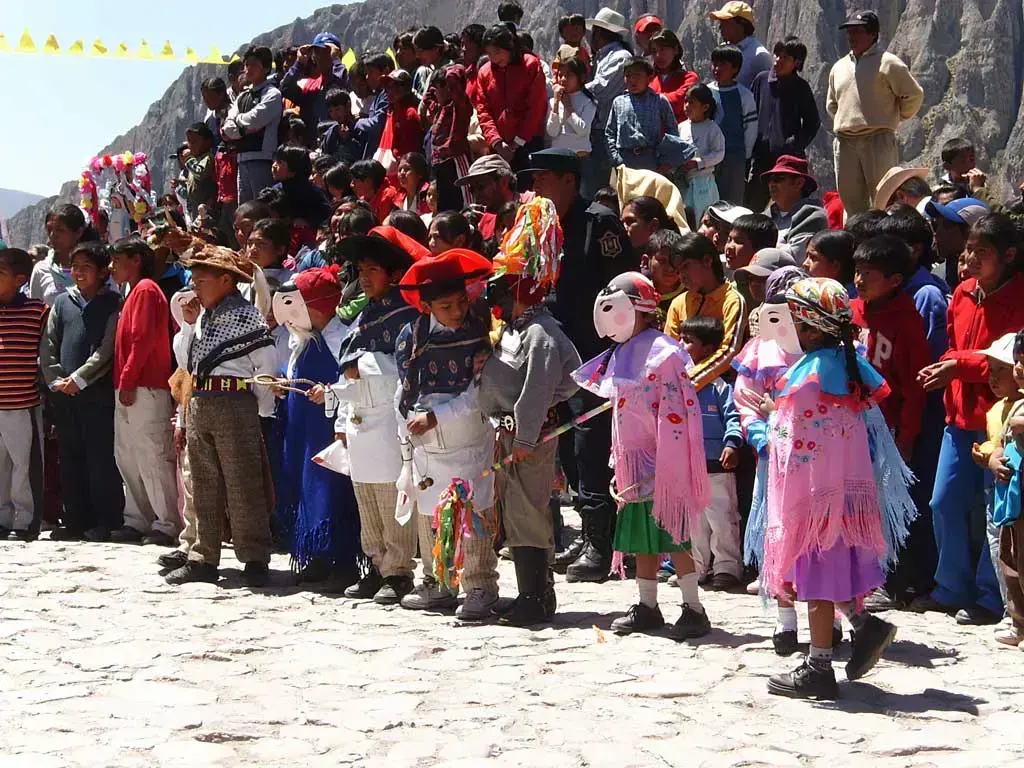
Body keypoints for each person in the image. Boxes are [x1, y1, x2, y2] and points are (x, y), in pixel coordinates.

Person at [763, 277, 899, 700]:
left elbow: (795, 442)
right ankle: (864, 625)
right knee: (833, 570)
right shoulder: (846, 366)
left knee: (817, 581)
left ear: (810, 327)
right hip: (842, 497)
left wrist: (770, 415)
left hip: (815, 502)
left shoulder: (810, 379)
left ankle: (820, 666)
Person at [575, 272, 712, 639]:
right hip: (632, 460)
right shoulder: (619, 355)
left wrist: (670, 461)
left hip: (661, 460)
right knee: (641, 538)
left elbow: (676, 411)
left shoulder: (663, 354)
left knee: (673, 535)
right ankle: (648, 605)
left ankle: (693, 608)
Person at [526, 148, 637, 581]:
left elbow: (622, 287)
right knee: (570, 448)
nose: (536, 188)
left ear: (569, 180)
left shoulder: (599, 222)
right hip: (558, 350)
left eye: (543, 179)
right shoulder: (542, 226)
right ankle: (593, 535)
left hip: (595, 352)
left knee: (592, 445)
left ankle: (603, 543)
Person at [914, 214, 1024, 624]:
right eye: (969, 250)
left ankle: (991, 596)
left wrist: (956, 367)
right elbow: (954, 347)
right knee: (943, 502)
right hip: (958, 416)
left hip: (1001, 418)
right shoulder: (961, 293)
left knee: (998, 512)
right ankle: (950, 587)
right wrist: (948, 366)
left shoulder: (1020, 296)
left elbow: (1008, 358)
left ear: (1008, 256)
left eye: (983, 252)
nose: (971, 258)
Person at [479, 199, 581, 625]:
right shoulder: (519, 330)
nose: (499, 292)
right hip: (513, 434)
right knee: (518, 512)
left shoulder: (541, 333)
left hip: (529, 439)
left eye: (506, 284)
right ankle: (534, 592)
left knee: (527, 514)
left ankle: (534, 598)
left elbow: (540, 389)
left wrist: (523, 437)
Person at [320, 228, 426, 602]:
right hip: (360, 419)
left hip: (387, 420)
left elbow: (403, 368)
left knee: (388, 494)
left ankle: (398, 571)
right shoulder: (365, 315)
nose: (364, 277)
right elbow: (345, 367)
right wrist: (340, 420)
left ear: (394, 274)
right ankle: (376, 565)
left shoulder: (406, 316)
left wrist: (362, 366)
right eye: (360, 269)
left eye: (373, 269)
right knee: (365, 495)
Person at [164, 244, 277, 587]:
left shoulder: (246, 316)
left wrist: (263, 409)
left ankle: (254, 556)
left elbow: (266, 365)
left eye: (202, 280)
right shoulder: (203, 319)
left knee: (243, 482)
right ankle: (203, 556)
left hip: (234, 403)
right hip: (200, 401)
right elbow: (187, 362)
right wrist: (188, 325)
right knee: (204, 483)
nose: (195, 287)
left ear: (226, 280)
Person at [394, 248, 497, 614]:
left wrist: (437, 417)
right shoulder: (411, 337)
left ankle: (480, 584)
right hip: (425, 444)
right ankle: (438, 581)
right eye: (446, 306)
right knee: (430, 512)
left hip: (466, 437)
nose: (457, 312)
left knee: (472, 507)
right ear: (426, 306)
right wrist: (405, 431)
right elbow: (404, 387)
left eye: (460, 303)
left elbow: (479, 392)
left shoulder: (476, 334)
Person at [269, 267, 366, 589]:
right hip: (302, 429)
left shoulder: (343, 338)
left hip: (330, 429)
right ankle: (317, 555)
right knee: (305, 487)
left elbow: (355, 380)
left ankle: (343, 562)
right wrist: (285, 381)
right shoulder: (303, 340)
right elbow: (295, 368)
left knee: (333, 491)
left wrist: (331, 391)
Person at [41, 241, 123, 542]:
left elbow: (107, 349)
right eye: (75, 267)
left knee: (99, 460)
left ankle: (105, 520)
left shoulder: (113, 303)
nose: (78, 273)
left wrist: (79, 379)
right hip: (64, 395)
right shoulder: (63, 303)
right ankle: (75, 519)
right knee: (70, 457)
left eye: (86, 268)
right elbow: (48, 345)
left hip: (96, 395)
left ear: (103, 272)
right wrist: (57, 380)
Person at [107, 238, 178, 546]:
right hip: (130, 385)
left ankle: (166, 522)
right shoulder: (132, 292)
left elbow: (144, 339)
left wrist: (128, 378)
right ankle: (137, 518)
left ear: (136, 259)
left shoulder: (147, 289)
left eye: (117, 259)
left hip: (145, 386)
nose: (112, 267)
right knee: (127, 454)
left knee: (152, 455)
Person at [827, 10, 924, 215]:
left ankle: (884, 242)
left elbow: (913, 95)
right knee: (851, 203)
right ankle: (857, 242)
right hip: (845, 142)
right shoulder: (839, 67)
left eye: (857, 31)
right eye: (849, 32)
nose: (851, 37)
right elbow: (832, 105)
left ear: (872, 34)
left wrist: (894, 117)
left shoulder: (889, 62)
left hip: (877, 139)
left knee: (884, 198)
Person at [850, 236, 931, 462]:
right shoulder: (849, 311)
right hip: (844, 421)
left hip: (884, 426)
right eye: (858, 271)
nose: (859, 280)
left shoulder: (906, 323)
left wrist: (906, 438)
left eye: (868, 274)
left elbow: (914, 386)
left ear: (895, 280)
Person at [679, 316, 745, 590]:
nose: (681, 345)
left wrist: (732, 443)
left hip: (716, 464)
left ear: (707, 349)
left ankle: (727, 568)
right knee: (694, 521)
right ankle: (697, 567)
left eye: (688, 341)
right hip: (688, 465)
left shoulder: (719, 386)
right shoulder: (679, 382)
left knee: (721, 517)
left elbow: (733, 416)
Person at [0, 247, 48, 541]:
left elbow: (45, 355)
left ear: (19, 279)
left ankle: (24, 519)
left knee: (23, 464)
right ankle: (2, 518)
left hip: (21, 403)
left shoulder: (36, 311)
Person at [748, 36, 820, 212]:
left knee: (790, 206)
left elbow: (813, 122)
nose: (778, 60)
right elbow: (750, 113)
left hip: (787, 161)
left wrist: (793, 145)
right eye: (777, 55)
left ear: (797, 62)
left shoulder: (800, 87)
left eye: (785, 57)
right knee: (753, 206)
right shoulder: (761, 81)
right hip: (760, 157)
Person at [988, 330, 1024, 650]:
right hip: (1012, 496)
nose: (1019, 370)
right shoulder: (1011, 406)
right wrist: (994, 461)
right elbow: (1002, 443)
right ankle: (1019, 623)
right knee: (1011, 560)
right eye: (1017, 363)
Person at [473, 24, 548, 173]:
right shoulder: (484, 72)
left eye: (498, 52)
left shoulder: (530, 65)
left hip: (528, 143)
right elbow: (483, 111)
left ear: (510, 46)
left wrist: (516, 143)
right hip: (498, 147)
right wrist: (497, 143)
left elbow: (536, 107)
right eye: (489, 53)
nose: (494, 58)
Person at [222, 46, 283, 204]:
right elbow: (228, 125)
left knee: (262, 209)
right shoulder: (242, 96)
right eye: (246, 64)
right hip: (242, 162)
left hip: (263, 160)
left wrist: (238, 123)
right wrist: (242, 130)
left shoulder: (272, 94)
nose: (248, 69)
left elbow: (256, 119)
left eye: (254, 64)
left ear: (267, 68)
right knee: (245, 211)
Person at [584, 8, 634, 196]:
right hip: (598, 128)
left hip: (606, 130)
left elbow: (601, 90)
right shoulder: (604, 57)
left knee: (601, 183)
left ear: (599, 33)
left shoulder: (620, 57)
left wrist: (576, 90)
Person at [605, 57, 679, 173]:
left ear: (649, 78)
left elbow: (672, 130)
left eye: (637, 75)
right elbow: (610, 132)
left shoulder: (659, 101)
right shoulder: (618, 102)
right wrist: (616, 157)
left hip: (651, 158)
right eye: (628, 76)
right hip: (624, 159)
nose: (632, 80)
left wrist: (666, 160)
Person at [708, 45, 757, 206]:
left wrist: (746, 155)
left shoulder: (744, 95)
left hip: (734, 156)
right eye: (714, 64)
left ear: (735, 68)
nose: (717, 69)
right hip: (709, 155)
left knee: (731, 200)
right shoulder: (706, 92)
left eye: (723, 65)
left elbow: (750, 129)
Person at [279, 32, 349, 138]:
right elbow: (286, 88)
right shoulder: (311, 85)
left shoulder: (344, 77)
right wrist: (298, 64)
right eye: (317, 52)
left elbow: (340, 83)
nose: (321, 57)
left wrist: (335, 60)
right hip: (314, 146)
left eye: (327, 52)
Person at [424, 65, 473, 214]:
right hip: (440, 163)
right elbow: (427, 97)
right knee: (445, 206)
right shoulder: (439, 108)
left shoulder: (459, 106)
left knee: (464, 203)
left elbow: (456, 76)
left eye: (444, 87)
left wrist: (447, 74)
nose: (439, 91)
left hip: (455, 160)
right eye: (438, 88)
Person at [761, 155, 827, 261]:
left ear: (799, 183)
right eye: (770, 180)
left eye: (778, 179)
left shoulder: (813, 216)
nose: (772, 184)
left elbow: (795, 256)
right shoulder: (764, 217)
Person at [29, 205, 95, 307]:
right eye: (49, 229)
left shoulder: (97, 267)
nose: (52, 235)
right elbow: (35, 312)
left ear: (78, 232)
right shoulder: (41, 269)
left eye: (60, 230)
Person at [678, 84, 726, 221]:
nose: (687, 105)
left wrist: (699, 163)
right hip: (684, 182)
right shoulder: (681, 127)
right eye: (686, 101)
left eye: (692, 102)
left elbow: (719, 153)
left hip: (703, 183)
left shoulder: (712, 128)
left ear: (705, 107)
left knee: (703, 217)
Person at [926, 196, 990, 291]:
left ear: (970, 233)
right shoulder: (937, 277)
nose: (937, 233)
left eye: (946, 226)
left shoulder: (991, 282)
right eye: (936, 225)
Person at [455, 154, 524, 241]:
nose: (476, 195)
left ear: (503, 182)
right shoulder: (482, 220)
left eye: (481, 187)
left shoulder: (532, 206)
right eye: (472, 190)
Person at [708, 2, 771, 88]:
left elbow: (764, 92)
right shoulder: (723, 49)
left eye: (725, 23)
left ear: (741, 25)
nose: (720, 27)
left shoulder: (759, 56)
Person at [546, 57, 597, 156]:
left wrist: (568, 107)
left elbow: (582, 130)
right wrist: (556, 104)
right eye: (560, 75)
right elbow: (552, 132)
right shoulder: (553, 101)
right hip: (558, 154)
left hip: (580, 155)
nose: (563, 79)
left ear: (581, 78)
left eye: (568, 75)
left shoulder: (587, 102)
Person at [648, 30, 699, 123]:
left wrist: (647, 100)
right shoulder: (649, 79)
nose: (658, 55)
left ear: (675, 50)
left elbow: (677, 102)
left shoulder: (689, 78)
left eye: (662, 49)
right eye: (654, 51)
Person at [352, 53, 394, 160]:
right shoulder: (379, 94)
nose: (367, 78)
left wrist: (359, 122)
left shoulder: (386, 94)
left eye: (371, 72)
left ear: (385, 71)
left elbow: (378, 123)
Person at [318, 88, 363, 165]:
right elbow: (326, 157)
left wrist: (347, 139)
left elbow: (362, 156)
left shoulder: (361, 128)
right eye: (331, 111)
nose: (334, 115)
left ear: (348, 106)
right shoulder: (331, 132)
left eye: (338, 109)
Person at [350, 160, 400, 225]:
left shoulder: (389, 197)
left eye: (355, 181)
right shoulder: (363, 199)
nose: (351, 185)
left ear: (368, 181)